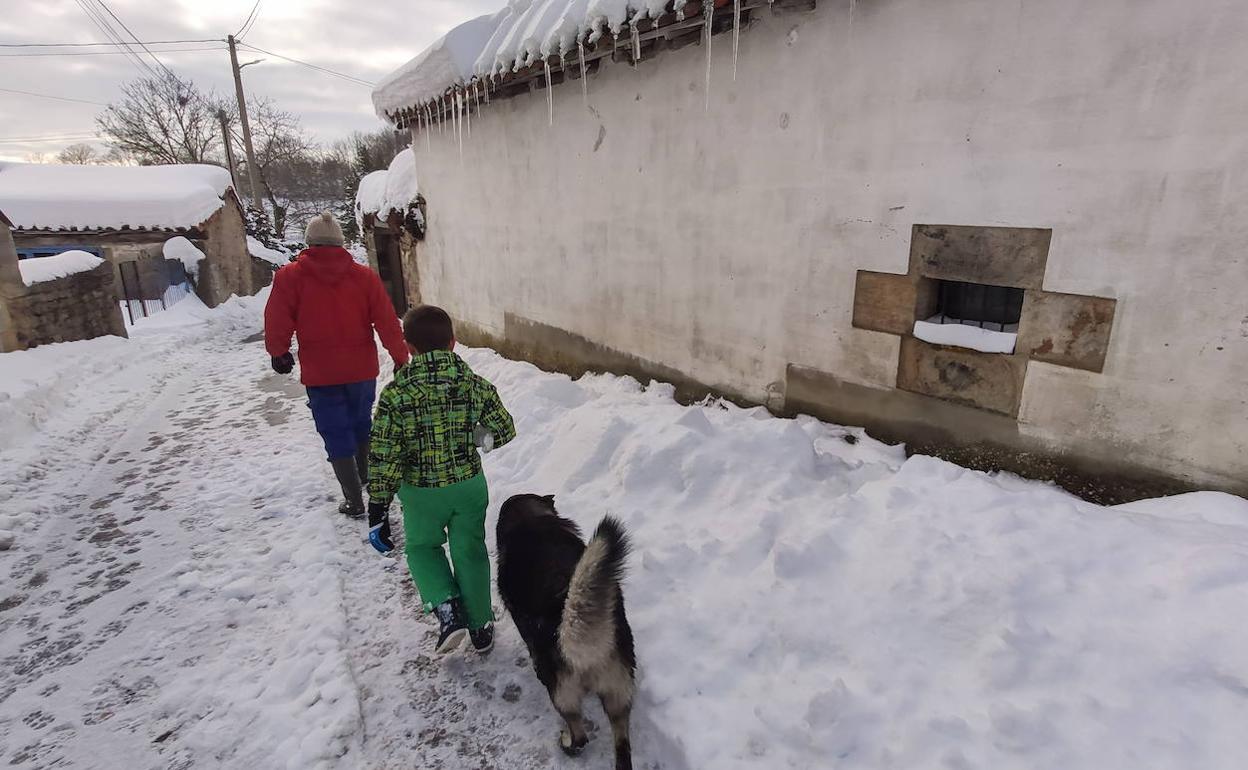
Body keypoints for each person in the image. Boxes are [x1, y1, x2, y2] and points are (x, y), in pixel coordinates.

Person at [365, 305, 516, 655]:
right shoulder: (474, 385)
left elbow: (385, 452)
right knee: (470, 550)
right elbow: (504, 429)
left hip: (420, 493)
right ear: (453, 343)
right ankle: (480, 625)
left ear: (409, 348)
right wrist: (480, 437)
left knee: (421, 548)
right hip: (467, 487)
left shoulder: (395, 395)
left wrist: (378, 505)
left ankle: (448, 610)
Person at [264, 211, 410, 518]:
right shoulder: (364, 277)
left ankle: (354, 499)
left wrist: (279, 351)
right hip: (360, 370)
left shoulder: (290, 276)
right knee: (360, 423)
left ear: (309, 242)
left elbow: (278, 317)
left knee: (334, 429)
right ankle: (370, 482)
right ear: (340, 243)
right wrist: (400, 357)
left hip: (321, 372)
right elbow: (386, 321)